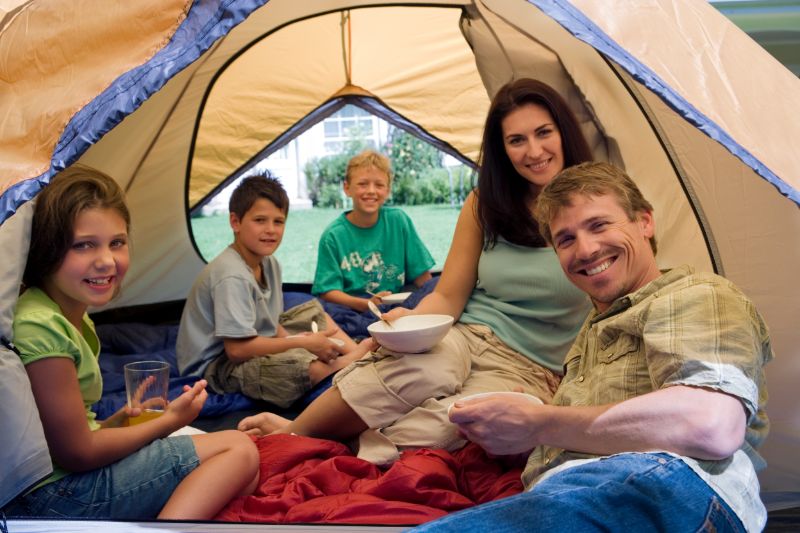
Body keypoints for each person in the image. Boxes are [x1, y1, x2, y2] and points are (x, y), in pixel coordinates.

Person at [237, 78, 595, 465]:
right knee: (416, 367)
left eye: (544, 133)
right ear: (502, 149)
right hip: (470, 334)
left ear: (564, 131)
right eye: (517, 140)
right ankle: (293, 431)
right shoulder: (485, 204)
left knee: (450, 426)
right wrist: (410, 321)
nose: (534, 151)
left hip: (531, 364)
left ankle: (353, 447)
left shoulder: (596, 206)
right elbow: (447, 294)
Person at [415, 161, 772, 532]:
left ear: (645, 222)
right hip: (577, 495)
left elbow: (711, 425)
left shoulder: (697, 294)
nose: (585, 250)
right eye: (565, 239)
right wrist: (516, 430)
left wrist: (540, 424)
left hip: (673, 487)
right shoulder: (589, 334)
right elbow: (595, 432)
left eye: (599, 225)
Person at [5, 165, 260, 520]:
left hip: (65, 477)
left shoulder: (66, 312)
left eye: (117, 243)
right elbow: (76, 453)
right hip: (54, 496)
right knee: (240, 450)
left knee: (238, 476)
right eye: (83, 245)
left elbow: (72, 435)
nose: (106, 260)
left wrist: (124, 421)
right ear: (47, 249)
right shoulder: (39, 327)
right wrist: (168, 422)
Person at [177, 172, 371, 409]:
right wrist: (302, 344)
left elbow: (272, 325)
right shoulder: (231, 275)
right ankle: (350, 362)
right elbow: (237, 350)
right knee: (296, 367)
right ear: (235, 222)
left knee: (311, 311)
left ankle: (361, 352)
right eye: (260, 220)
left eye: (278, 221)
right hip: (217, 367)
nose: (271, 230)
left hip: (252, 340)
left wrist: (298, 338)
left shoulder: (269, 264)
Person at [311, 149, 435, 312]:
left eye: (379, 185)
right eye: (363, 184)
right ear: (347, 188)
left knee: (438, 286)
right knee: (325, 311)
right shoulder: (333, 236)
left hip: (396, 305)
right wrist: (368, 304)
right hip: (355, 308)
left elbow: (422, 276)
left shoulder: (398, 221)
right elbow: (327, 292)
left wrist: (434, 297)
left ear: (388, 190)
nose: (371, 191)